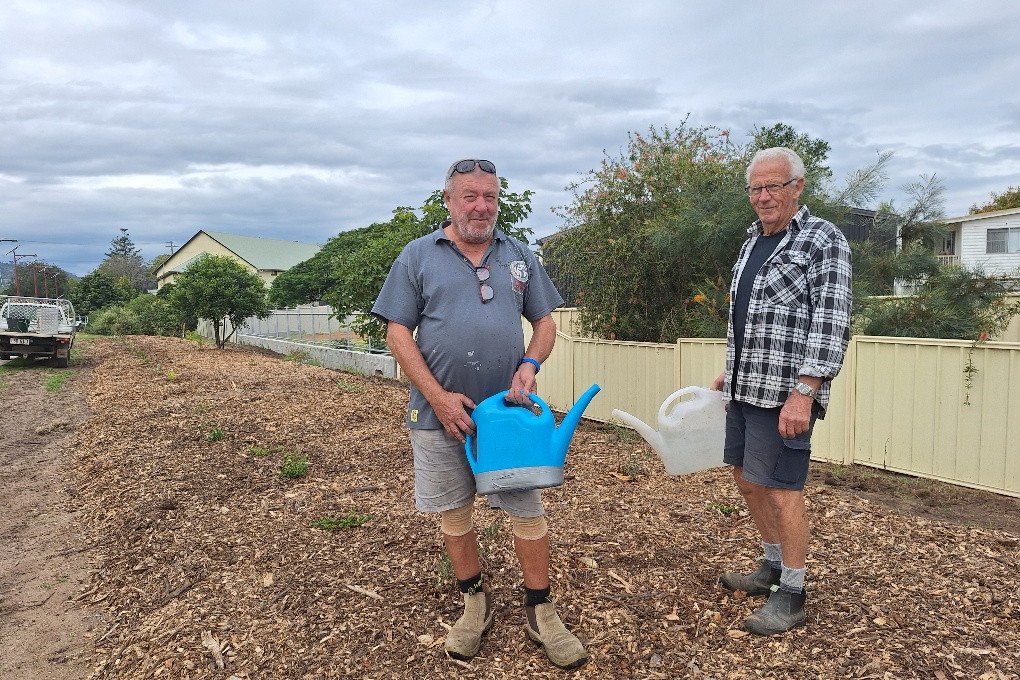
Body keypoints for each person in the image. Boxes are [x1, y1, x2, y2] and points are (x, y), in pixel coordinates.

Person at [371, 158, 588, 670]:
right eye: (469, 196)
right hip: (437, 414)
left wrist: (530, 364)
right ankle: (475, 603)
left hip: (507, 418)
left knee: (527, 512)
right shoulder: (418, 255)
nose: (481, 206)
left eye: (489, 196)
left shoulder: (518, 256)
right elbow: (397, 333)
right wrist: (439, 397)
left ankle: (541, 610)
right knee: (454, 513)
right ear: (447, 200)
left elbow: (545, 323)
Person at [711, 147, 852, 635]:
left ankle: (793, 593)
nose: (764, 196)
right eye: (756, 188)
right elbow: (745, 318)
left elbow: (830, 322)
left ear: (798, 186)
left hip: (786, 395)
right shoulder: (752, 241)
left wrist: (805, 391)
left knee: (782, 490)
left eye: (773, 186)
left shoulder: (823, 240)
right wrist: (729, 372)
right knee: (747, 481)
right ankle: (771, 568)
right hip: (745, 388)